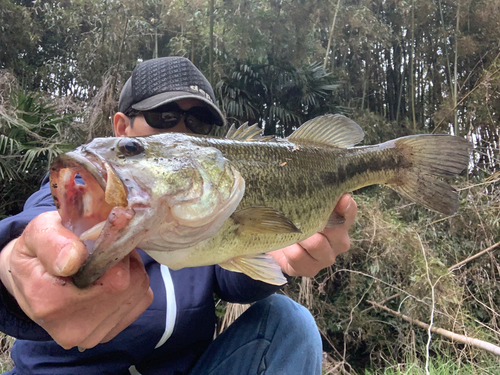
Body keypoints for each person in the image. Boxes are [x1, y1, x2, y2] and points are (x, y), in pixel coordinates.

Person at [0, 57, 357, 374]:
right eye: (164, 117)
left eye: (197, 123)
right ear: (122, 127)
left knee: (290, 322)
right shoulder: (82, 195)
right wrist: (13, 267)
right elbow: (30, 236)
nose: (180, 133)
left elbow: (233, 281)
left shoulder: (208, 202)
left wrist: (280, 256)